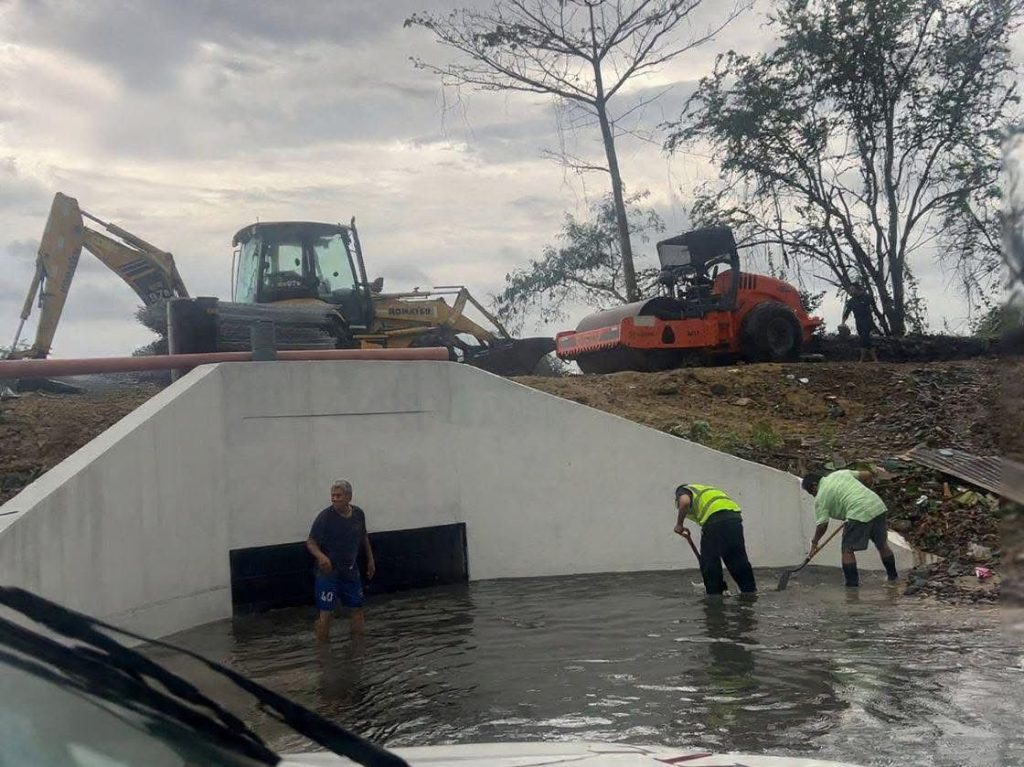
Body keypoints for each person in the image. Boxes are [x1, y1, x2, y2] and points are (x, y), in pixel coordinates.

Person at [801, 468, 898, 588]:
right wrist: (866, 488)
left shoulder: (821, 498)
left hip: (857, 513)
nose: (813, 495)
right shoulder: (840, 474)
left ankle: (852, 588)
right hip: (877, 506)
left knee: (847, 550)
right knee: (882, 545)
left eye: (811, 492)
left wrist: (815, 542)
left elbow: (822, 525)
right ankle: (893, 578)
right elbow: (867, 474)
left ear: (814, 486)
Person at [306, 479, 376, 641]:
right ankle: (322, 650)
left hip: (350, 570)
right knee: (326, 613)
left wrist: (370, 560)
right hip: (328, 572)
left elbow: (363, 536)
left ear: (349, 497)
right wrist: (322, 557)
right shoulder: (325, 517)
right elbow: (310, 542)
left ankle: (358, 648)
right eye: (333, 496)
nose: (335, 499)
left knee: (357, 609)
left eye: (339, 495)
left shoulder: (358, 514)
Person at [674, 483, 757, 595]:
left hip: (714, 521)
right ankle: (749, 591)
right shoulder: (706, 491)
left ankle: (716, 594)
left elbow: (685, 502)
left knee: (710, 560)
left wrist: (679, 524)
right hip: (734, 519)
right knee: (736, 558)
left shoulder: (683, 490)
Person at [842, 282, 878, 362]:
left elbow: (874, 308)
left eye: (852, 289)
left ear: (857, 289)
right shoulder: (851, 301)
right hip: (858, 320)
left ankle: (862, 359)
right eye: (850, 290)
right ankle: (873, 358)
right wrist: (843, 322)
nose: (850, 291)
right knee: (864, 338)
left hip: (867, 319)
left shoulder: (866, 297)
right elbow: (847, 313)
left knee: (865, 336)